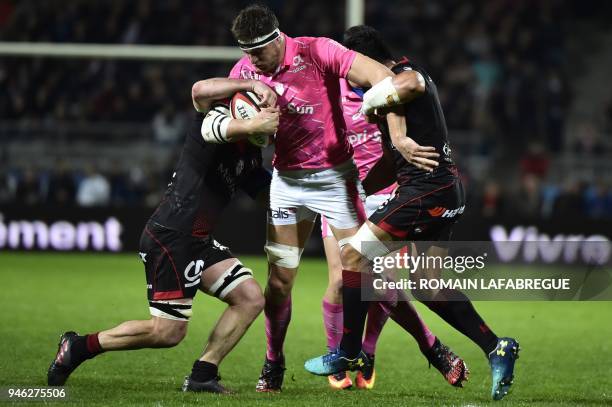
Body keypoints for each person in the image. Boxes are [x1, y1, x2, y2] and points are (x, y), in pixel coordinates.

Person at [224, 4, 442, 392]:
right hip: (287, 184)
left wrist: (397, 137)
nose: (252, 60)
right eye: (246, 52)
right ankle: (274, 363)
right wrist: (251, 128)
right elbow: (234, 119)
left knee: (361, 277)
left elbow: (384, 78)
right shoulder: (244, 72)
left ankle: (424, 348)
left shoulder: (318, 51)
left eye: (258, 51)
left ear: (277, 38)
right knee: (279, 282)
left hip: (338, 183)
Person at [304, 26, 519, 401]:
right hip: (444, 189)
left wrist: (386, 118)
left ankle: (349, 352)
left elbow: (413, 83)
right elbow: (392, 158)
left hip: (427, 190)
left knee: (353, 254)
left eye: (351, 68)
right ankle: (496, 346)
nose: (350, 77)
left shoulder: (402, 76)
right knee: (426, 284)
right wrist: (364, 185)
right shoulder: (391, 93)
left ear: (365, 61)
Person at [47, 77, 280, 394]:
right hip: (172, 235)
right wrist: (254, 100)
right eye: (265, 114)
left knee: (250, 298)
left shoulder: (249, 156)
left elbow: (268, 195)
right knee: (167, 332)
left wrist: (311, 197)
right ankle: (77, 348)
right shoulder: (214, 120)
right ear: (246, 112)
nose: (271, 121)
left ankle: (202, 374)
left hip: (198, 239)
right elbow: (199, 91)